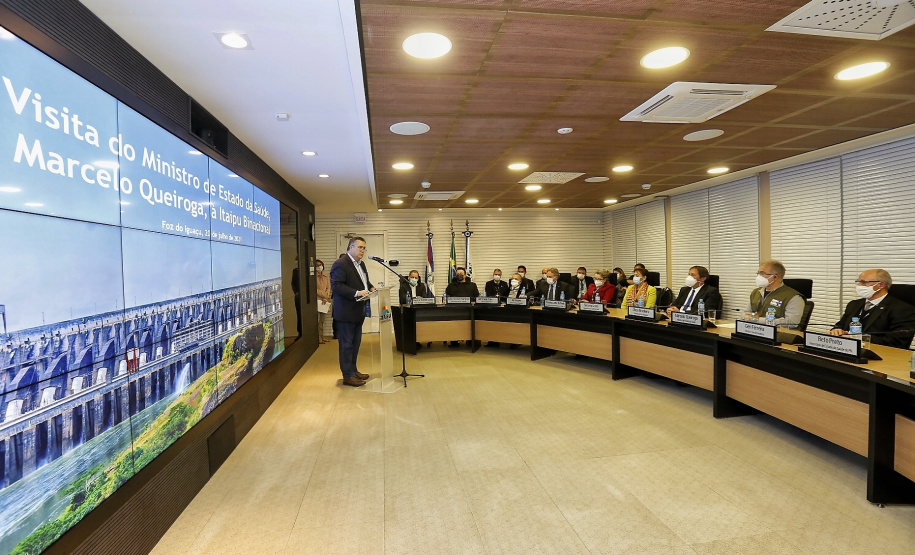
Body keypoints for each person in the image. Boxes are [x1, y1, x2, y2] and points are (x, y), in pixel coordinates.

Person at [828, 269, 915, 349]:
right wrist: (836, 330)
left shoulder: (902, 309)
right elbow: (840, 325)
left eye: (864, 282)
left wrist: (859, 338)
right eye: (858, 282)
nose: (859, 285)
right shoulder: (854, 304)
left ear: (881, 285)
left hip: (881, 355)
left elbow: (897, 342)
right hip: (849, 350)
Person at [330, 237, 375, 387]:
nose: (362, 250)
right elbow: (336, 285)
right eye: (360, 247)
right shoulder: (341, 264)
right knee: (346, 345)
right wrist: (356, 293)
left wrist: (371, 287)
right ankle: (347, 376)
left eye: (364, 248)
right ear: (350, 247)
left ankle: (353, 370)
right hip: (346, 313)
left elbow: (364, 282)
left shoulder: (361, 264)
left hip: (358, 311)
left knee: (355, 344)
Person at [747, 260, 804, 328]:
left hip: (778, 333)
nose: (759, 276)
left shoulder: (793, 297)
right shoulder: (756, 292)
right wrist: (749, 317)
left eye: (762, 273)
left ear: (775, 277)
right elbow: (745, 313)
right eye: (758, 273)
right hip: (754, 330)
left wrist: (759, 320)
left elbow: (792, 322)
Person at [315, 259, 331, 344]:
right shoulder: (312, 276)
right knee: (316, 321)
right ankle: (317, 338)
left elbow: (328, 287)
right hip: (317, 300)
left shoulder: (326, 275)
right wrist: (325, 295)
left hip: (324, 301)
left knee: (322, 321)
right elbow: (315, 289)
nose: (319, 267)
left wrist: (326, 298)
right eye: (317, 265)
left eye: (320, 265)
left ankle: (322, 337)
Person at [291, 254, 302, 337]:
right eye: (296, 260)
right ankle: (300, 333)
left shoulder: (308, 270)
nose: (296, 261)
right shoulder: (295, 271)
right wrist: (296, 292)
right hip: (298, 297)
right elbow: (293, 283)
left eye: (298, 259)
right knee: (299, 315)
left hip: (306, 298)